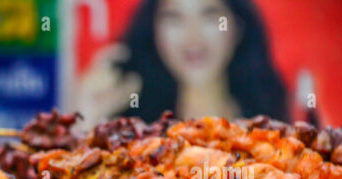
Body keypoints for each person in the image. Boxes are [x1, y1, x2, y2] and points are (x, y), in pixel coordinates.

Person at [74, 0, 289, 128]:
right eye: (174, 17)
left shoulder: (274, 128)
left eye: (209, 15)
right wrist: (89, 117)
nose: (192, 37)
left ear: (238, 27)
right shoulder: (132, 133)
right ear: (154, 31)